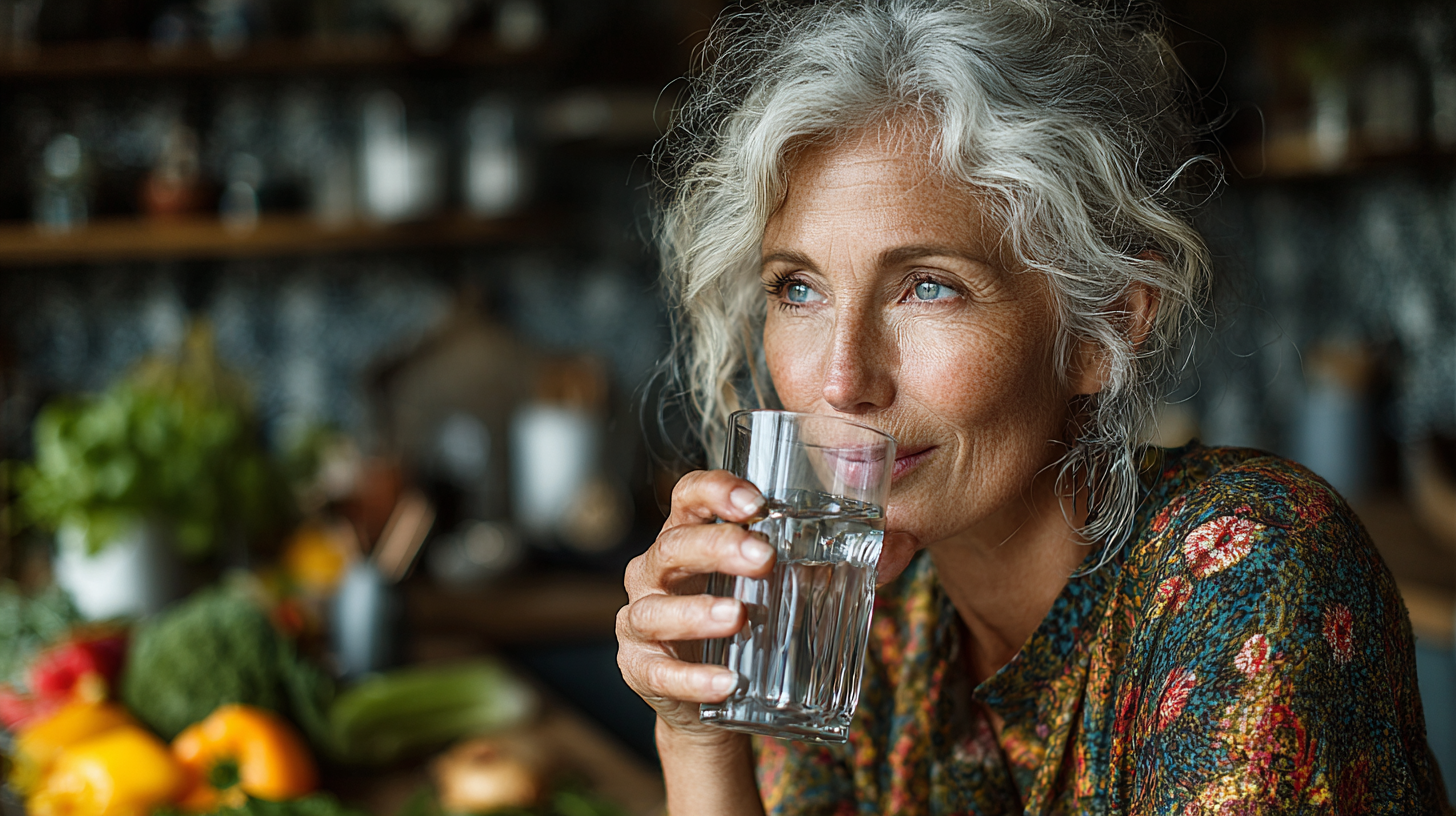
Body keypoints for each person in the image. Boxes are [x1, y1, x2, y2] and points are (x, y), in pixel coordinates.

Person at [615, 1, 1451, 813]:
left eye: (928, 286)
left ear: (1107, 324)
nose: (841, 380)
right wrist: (699, 736)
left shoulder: (1249, 571)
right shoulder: (859, 616)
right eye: (798, 288)